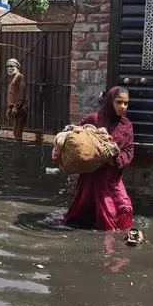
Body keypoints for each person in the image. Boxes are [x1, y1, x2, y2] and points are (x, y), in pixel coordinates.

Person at [54, 86, 134, 231]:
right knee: (86, 214)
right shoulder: (95, 118)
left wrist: (114, 158)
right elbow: (75, 132)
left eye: (126, 103)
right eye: (119, 102)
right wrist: (76, 131)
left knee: (124, 209)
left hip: (112, 177)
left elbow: (128, 151)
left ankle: (115, 242)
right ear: (110, 102)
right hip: (92, 176)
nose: (123, 106)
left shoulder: (127, 126)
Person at [5, 58, 28, 140]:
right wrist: (9, 108)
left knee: (17, 132)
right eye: (8, 66)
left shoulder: (20, 77)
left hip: (19, 109)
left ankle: (18, 150)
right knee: (15, 131)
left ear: (17, 67)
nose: (9, 68)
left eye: (12, 66)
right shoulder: (12, 78)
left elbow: (21, 95)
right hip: (14, 109)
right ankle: (17, 150)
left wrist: (16, 107)